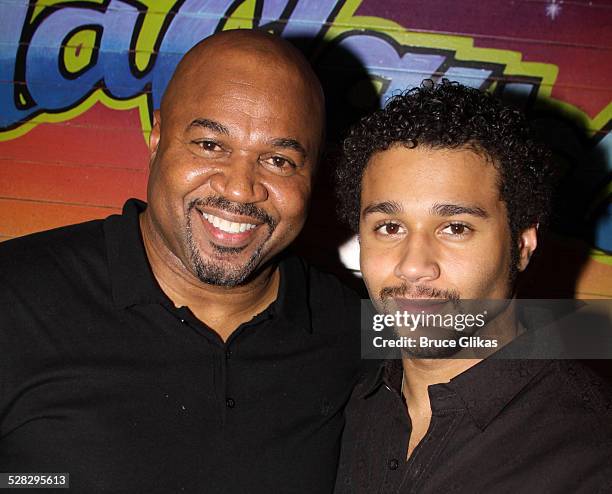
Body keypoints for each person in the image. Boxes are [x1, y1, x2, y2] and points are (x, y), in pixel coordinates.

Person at [0, 30, 364, 493]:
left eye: (278, 160)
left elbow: (478, 332)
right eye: (210, 144)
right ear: (157, 139)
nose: (239, 188)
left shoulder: (353, 329)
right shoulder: (13, 295)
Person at [333, 80, 612, 493]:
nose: (414, 266)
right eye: (389, 227)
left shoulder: (591, 451)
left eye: (455, 227)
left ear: (521, 244)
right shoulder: (337, 405)